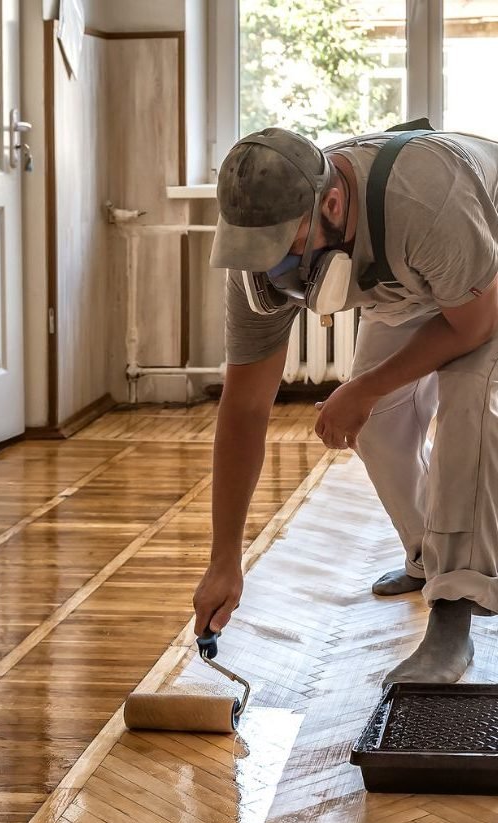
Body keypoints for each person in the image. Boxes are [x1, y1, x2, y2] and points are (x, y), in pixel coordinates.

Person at [193, 125, 498, 684]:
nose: (274, 271)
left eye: (286, 249)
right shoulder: (256, 254)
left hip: (483, 276)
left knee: (468, 408)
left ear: (332, 203)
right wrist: (224, 560)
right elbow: (244, 411)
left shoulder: (427, 200)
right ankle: (424, 557)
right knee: (378, 427)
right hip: (406, 278)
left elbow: (474, 325)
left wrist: (360, 387)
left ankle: (455, 615)